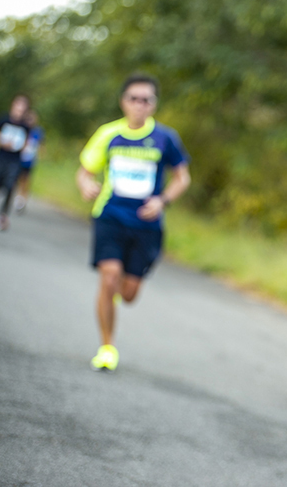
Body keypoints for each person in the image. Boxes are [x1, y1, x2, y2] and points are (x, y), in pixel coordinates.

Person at [76, 74, 191, 372]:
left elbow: (182, 178)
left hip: (146, 226)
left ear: (154, 104)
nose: (139, 105)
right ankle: (107, 347)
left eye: (146, 100)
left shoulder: (166, 138)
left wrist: (162, 201)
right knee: (109, 277)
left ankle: (113, 296)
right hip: (110, 216)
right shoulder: (109, 134)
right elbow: (85, 171)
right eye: (134, 99)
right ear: (123, 101)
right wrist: (85, 184)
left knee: (127, 294)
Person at [0, 94, 31, 231]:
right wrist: (5, 143)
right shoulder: (4, 120)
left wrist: (17, 145)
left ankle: (3, 216)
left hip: (15, 161)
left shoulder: (25, 126)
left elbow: (26, 144)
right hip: (2, 158)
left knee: (10, 187)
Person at [14, 109, 45, 214]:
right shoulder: (22, 128)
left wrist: (41, 155)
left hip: (30, 159)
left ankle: (23, 199)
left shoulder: (38, 131)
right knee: (18, 178)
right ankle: (18, 197)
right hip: (19, 158)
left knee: (26, 180)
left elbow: (41, 144)